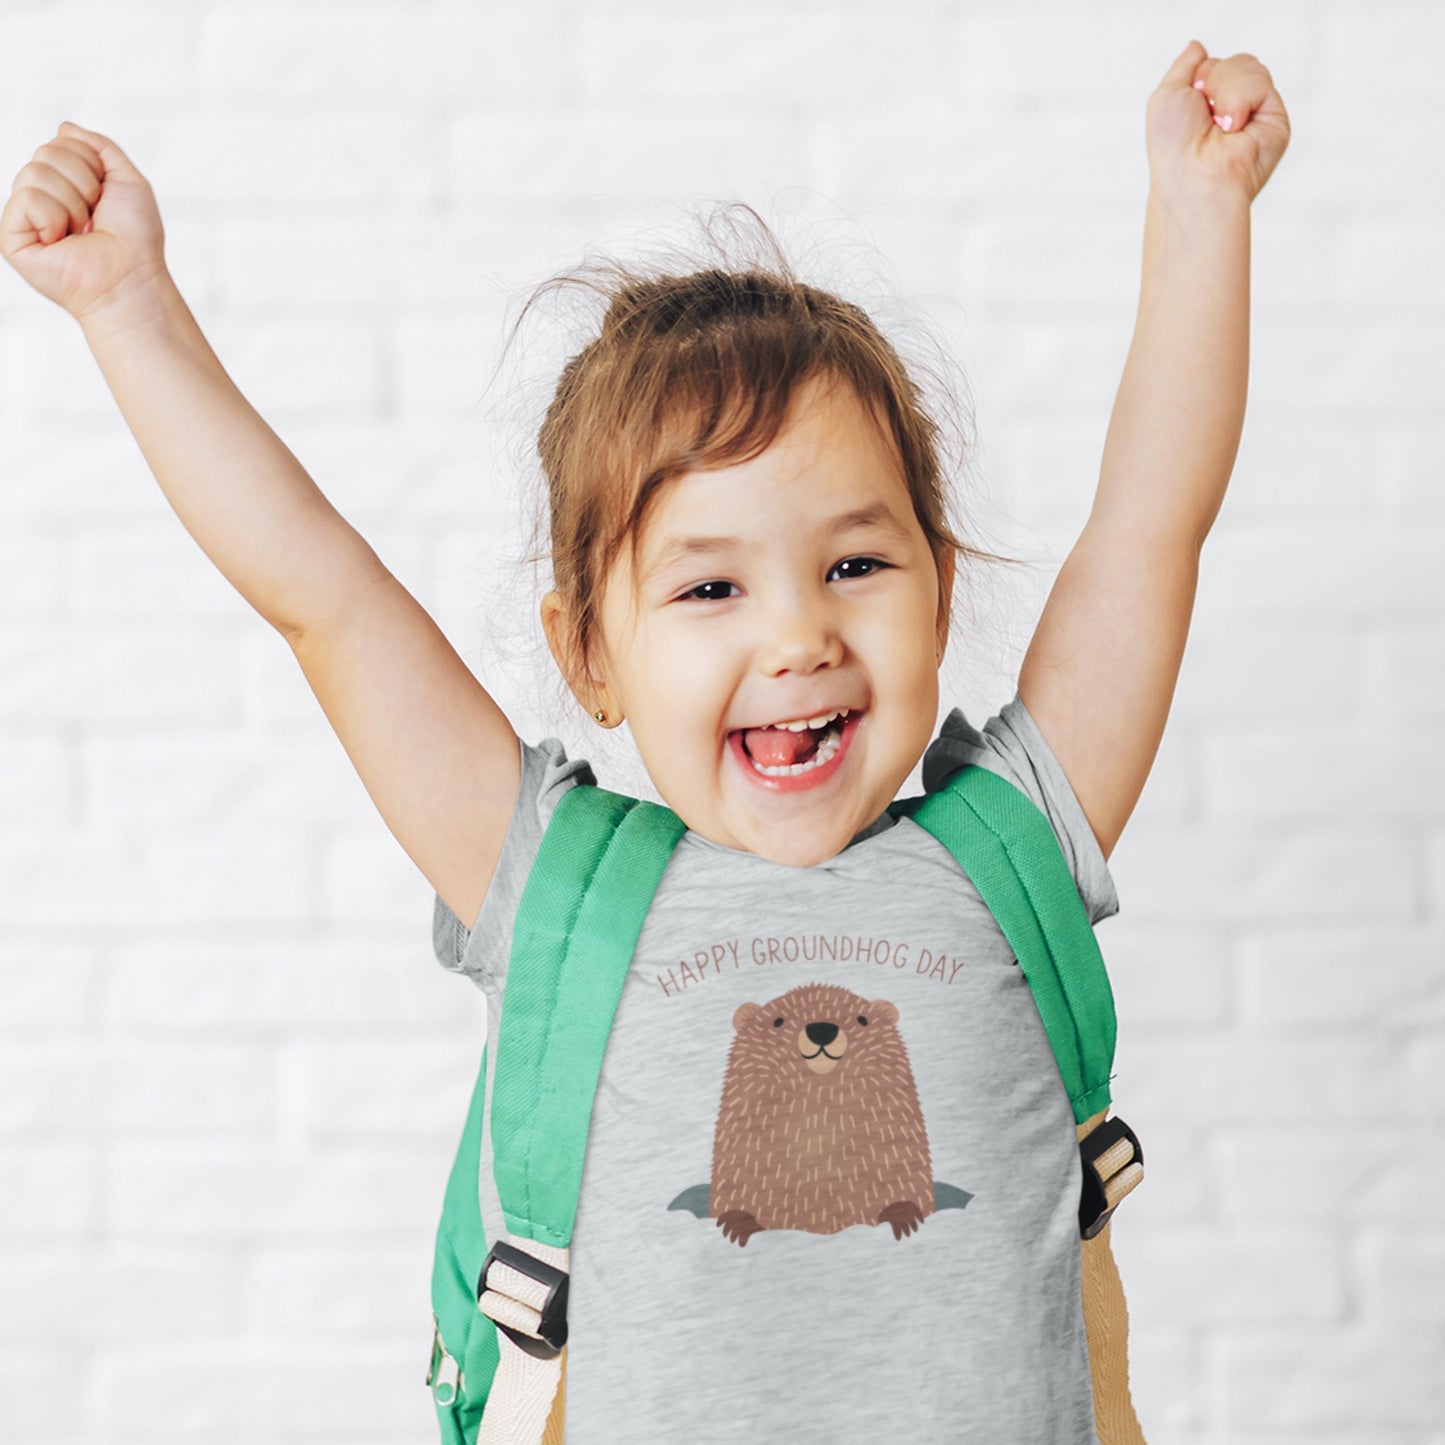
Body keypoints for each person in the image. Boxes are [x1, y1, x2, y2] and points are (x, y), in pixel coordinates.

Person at [1, 36, 1289, 1445]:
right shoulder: (557, 886)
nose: (794, 635)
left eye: (855, 564)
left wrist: (1197, 209)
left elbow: (1148, 525)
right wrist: (127, 302)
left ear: (942, 583)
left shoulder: (1011, 848)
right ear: (589, 655)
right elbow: (327, 601)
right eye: (709, 586)